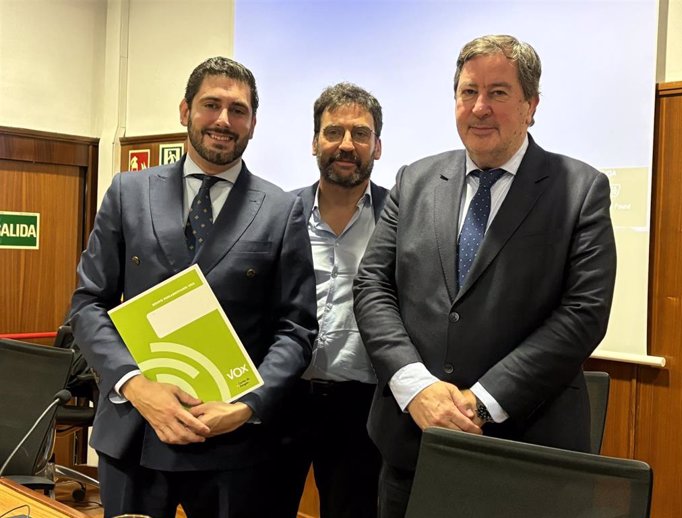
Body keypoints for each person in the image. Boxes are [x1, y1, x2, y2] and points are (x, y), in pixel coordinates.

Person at [353, 34, 617, 518]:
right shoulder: (415, 180)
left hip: (526, 453)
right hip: (413, 445)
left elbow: (583, 314)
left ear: (531, 105)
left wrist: (481, 401)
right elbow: (372, 287)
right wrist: (417, 387)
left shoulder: (580, 189)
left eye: (498, 93)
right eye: (468, 91)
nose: (479, 108)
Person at [68, 56, 318, 518]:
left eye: (238, 110)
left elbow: (297, 329)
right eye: (211, 105)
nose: (224, 120)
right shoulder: (127, 192)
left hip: (235, 445)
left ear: (253, 123)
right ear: (185, 110)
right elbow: (88, 304)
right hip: (134, 432)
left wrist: (247, 406)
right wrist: (134, 384)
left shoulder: (281, 211)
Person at [278, 82, 388, 518]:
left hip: (363, 408)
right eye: (333, 132)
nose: (347, 145)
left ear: (377, 147)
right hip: (283, 397)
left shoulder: (400, 217)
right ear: (314, 142)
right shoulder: (278, 214)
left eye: (360, 134)